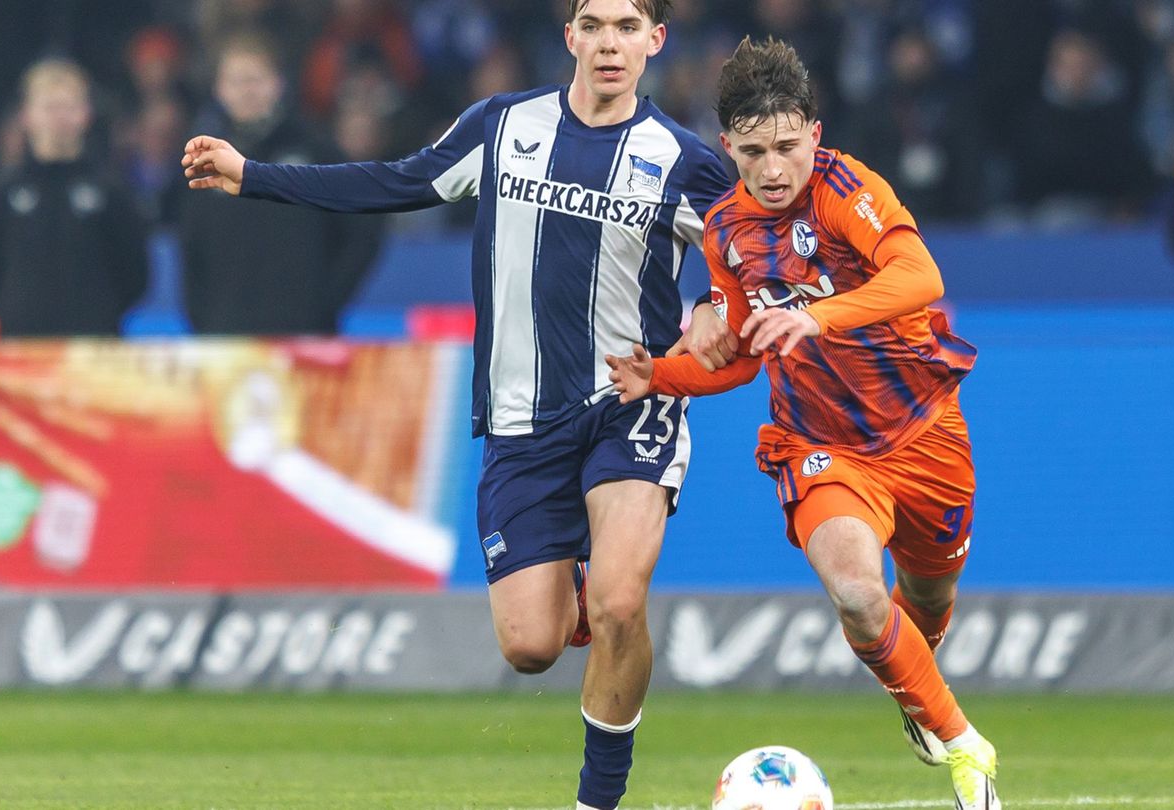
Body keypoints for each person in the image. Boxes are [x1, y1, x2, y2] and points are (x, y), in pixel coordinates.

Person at [181, 2, 733, 808]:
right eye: (593, 23)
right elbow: (396, 181)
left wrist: (719, 301)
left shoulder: (685, 161)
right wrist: (254, 176)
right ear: (569, 35)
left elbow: (749, 247)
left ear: (656, 40)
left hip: (629, 401)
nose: (609, 42)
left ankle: (597, 798)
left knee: (620, 600)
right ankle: (579, 600)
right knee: (531, 647)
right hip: (519, 419)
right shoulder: (502, 126)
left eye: (626, 25)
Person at [605, 37, 1002, 810]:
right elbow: (743, 357)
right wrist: (660, 373)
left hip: (924, 431)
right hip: (819, 444)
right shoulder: (724, 232)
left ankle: (918, 692)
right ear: (728, 147)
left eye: (788, 146)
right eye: (754, 151)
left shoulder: (848, 188)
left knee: (925, 600)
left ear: (815, 135)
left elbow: (921, 275)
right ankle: (966, 748)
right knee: (857, 592)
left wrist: (815, 318)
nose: (774, 167)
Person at [179, 32, 384, 334]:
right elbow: (191, 253)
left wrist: (324, 304)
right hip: (226, 342)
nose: (247, 91)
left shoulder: (317, 151)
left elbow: (365, 229)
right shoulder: (203, 161)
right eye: (237, 81)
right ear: (219, 90)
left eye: (256, 79)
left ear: (278, 83)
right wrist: (204, 320)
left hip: (305, 338)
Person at [0, 59, 149, 337]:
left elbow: (135, 272)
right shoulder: (2, 190)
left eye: (68, 106)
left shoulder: (110, 189)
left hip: (93, 346)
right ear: (26, 116)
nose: (58, 117)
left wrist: (100, 312)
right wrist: (16, 309)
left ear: (85, 114)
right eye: (49, 107)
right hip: (21, 345)